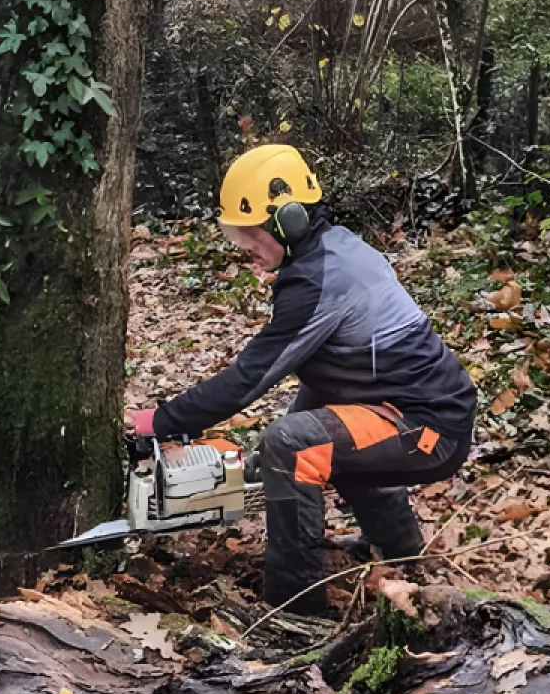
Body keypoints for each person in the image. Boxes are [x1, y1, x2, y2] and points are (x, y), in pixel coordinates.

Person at [127, 145, 477, 615]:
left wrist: (161, 421)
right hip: (412, 411)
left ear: (286, 223)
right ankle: (402, 553)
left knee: (292, 444)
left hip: (431, 429)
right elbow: (332, 380)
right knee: (314, 439)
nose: (246, 247)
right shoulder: (334, 249)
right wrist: (255, 467)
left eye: (250, 234)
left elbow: (248, 378)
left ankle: (295, 609)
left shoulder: (316, 281)